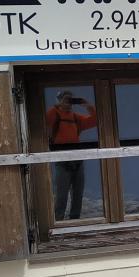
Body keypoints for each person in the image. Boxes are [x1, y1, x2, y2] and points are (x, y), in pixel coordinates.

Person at [45, 90, 97, 220]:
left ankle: (75, 220)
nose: (68, 102)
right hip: (62, 159)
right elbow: (45, 119)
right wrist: (58, 106)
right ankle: (58, 220)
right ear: (59, 100)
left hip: (77, 159)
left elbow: (96, 120)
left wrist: (87, 105)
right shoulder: (54, 114)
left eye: (70, 100)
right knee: (61, 194)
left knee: (78, 193)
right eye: (66, 99)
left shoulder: (75, 118)